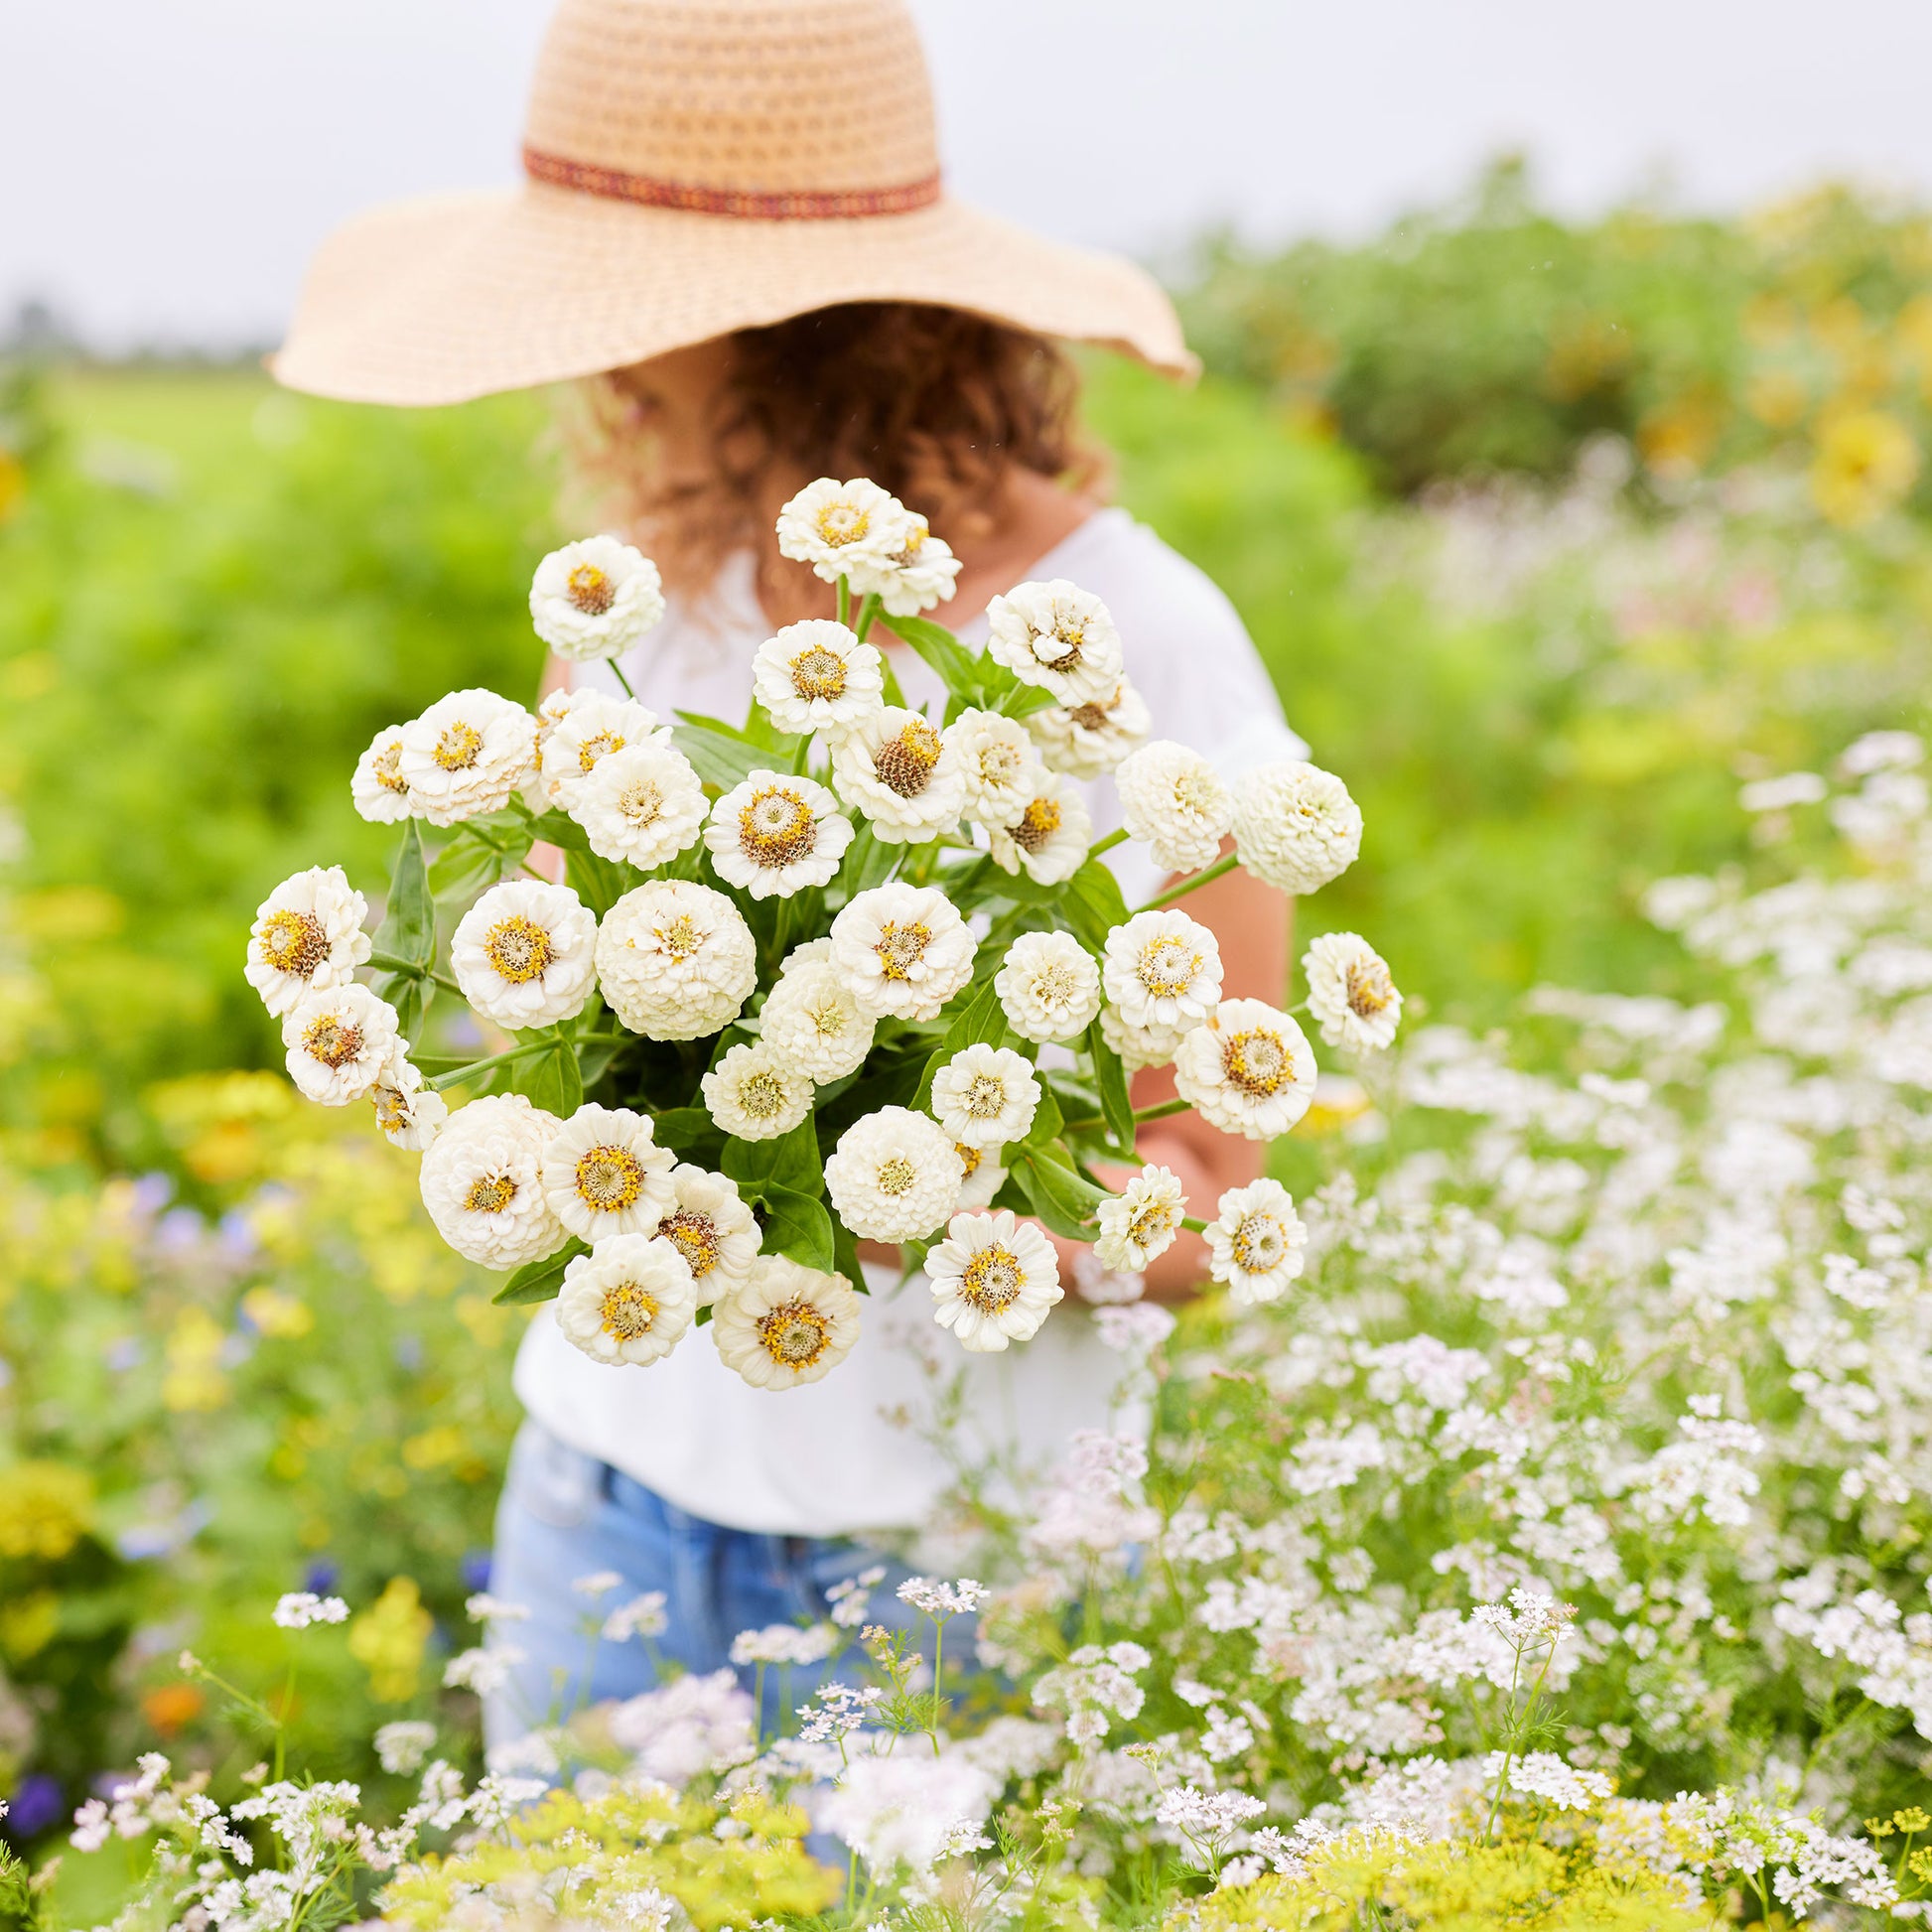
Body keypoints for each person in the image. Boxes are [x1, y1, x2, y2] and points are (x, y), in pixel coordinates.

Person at [272, 0, 1306, 1750]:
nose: (595, 371)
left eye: (631, 316)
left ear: (809, 326)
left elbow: (1202, 1180)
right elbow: (552, 994)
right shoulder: (638, 599)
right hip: (606, 1496)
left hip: (945, 1554)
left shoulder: (1133, 640)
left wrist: (937, 1191)